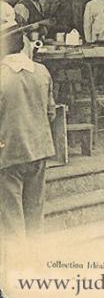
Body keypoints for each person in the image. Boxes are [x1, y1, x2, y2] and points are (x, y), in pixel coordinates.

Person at [0, 26, 56, 247]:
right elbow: (50, 112)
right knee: (35, 212)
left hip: (10, 152)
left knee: (11, 217)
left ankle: (17, 263)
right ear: (23, 44)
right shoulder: (41, 71)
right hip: (39, 148)